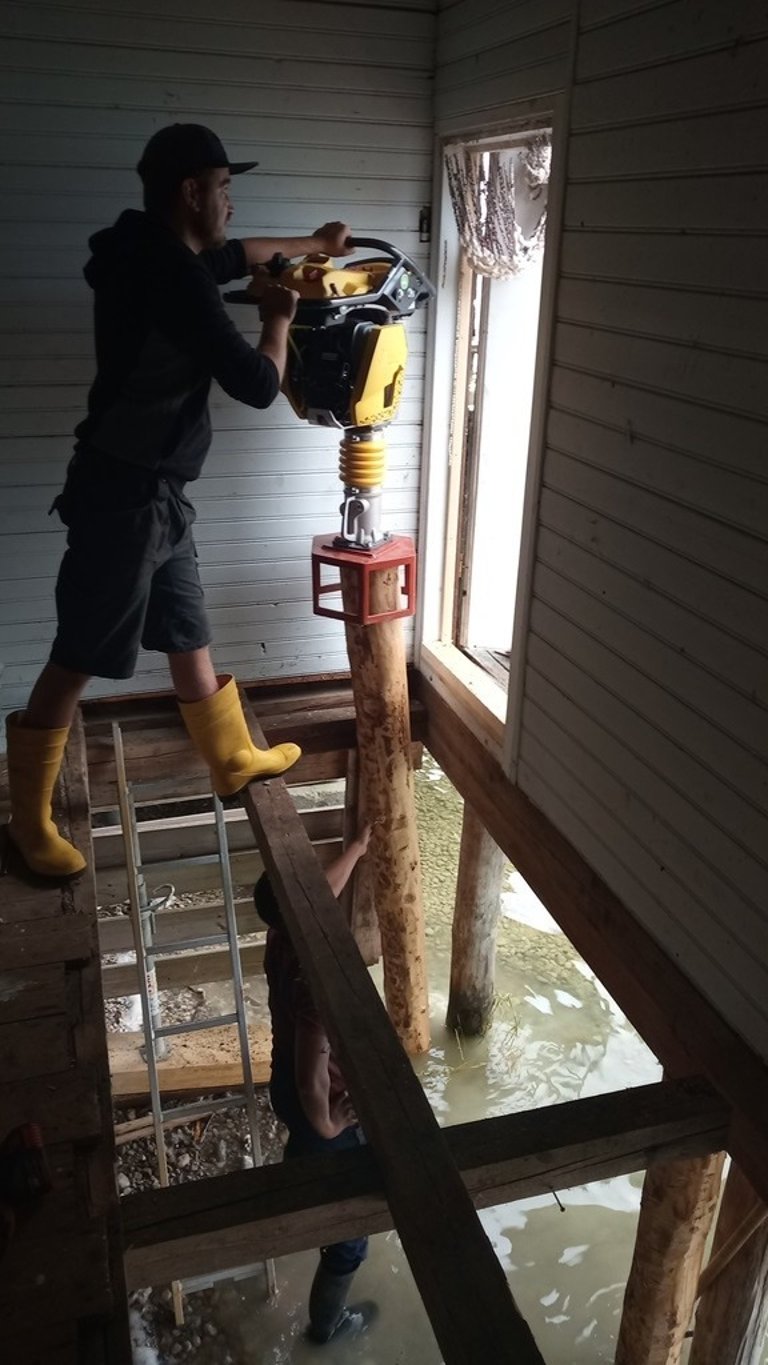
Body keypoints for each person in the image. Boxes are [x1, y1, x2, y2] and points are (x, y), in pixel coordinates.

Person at [4, 123, 352, 879]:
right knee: (78, 653)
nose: (231, 201)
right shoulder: (174, 277)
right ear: (191, 192)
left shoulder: (153, 249)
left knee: (187, 627)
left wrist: (316, 244)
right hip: (126, 495)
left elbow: (240, 252)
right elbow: (256, 385)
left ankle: (231, 759)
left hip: (156, 488)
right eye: (223, 187)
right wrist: (279, 318)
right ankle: (27, 819)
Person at [255, 825, 377, 1345]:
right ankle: (326, 1327)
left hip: (283, 1083)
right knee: (349, 1241)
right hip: (313, 1099)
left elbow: (319, 892)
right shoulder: (314, 979)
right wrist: (329, 1124)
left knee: (307, 1150)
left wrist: (356, 850)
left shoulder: (280, 934)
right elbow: (312, 1077)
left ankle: (303, 1172)